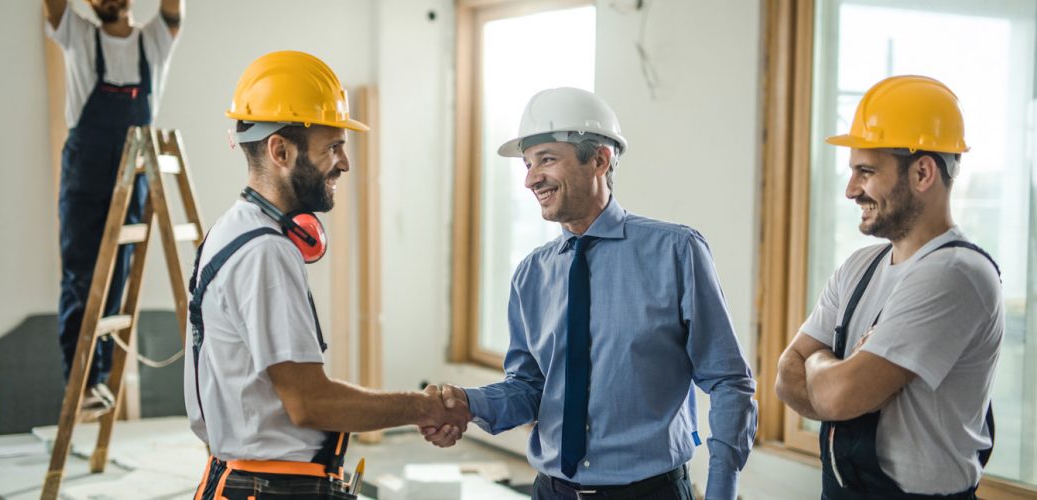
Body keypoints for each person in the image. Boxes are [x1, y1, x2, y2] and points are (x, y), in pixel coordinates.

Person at [423, 87, 757, 500]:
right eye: (527, 165)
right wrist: (467, 404)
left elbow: (728, 381)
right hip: (551, 491)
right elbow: (530, 387)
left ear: (599, 159)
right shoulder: (532, 274)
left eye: (546, 159)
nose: (531, 179)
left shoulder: (676, 252)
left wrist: (722, 490)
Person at [185, 51, 469, 499]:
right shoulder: (264, 253)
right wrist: (422, 406)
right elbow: (309, 402)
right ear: (280, 150)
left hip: (255, 479)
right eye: (332, 147)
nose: (345, 163)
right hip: (269, 487)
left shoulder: (235, 229)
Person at [774, 75, 1003, 499]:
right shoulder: (859, 267)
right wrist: (833, 368)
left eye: (866, 171)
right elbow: (786, 376)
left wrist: (820, 365)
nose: (850, 190)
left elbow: (840, 398)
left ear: (922, 172)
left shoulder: (956, 274)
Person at [43, 0, 184, 419]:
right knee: (81, 273)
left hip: (134, 166)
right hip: (85, 168)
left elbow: (174, 10)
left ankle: (100, 376)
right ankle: (81, 381)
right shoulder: (79, 34)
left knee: (118, 273)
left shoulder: (154, 41)